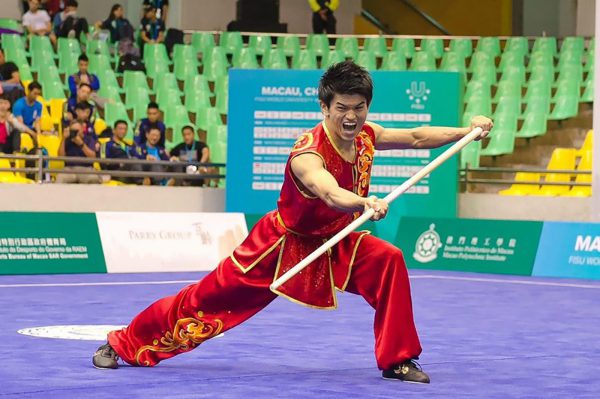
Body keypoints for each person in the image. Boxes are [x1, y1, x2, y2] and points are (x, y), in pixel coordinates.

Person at [92, 61, 493, 383]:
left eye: (359, 107)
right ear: (325, 108)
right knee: (203, 302)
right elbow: (329, 191)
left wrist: (467, 131)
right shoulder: (307, 153)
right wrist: (362, 202)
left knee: (387, 259)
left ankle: (398, 360)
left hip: (336, 240)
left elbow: (418, 138)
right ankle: (122, 343)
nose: (351, 117)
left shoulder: (368, 135)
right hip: (279, 246)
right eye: (342, 109)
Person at [56, 119, 102, 184]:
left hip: (86, 169)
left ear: (82, 129)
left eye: (77, 131)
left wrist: (81, 144)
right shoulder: (67, 140)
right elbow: (60, 156)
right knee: (60, 178)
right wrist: (63, 139)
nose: (75, 133)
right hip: (69, 169)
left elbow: (93, 157)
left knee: (93, 179)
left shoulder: (89, 139)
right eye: (73, 131)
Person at [100, 119, 135, 184]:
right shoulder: (107, 145)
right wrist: (119, 163)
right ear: (114, 130)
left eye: (125, 129)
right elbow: (103, 161)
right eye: (120, 129)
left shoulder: (129, 146)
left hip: (131, 171)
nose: (123, 131)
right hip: (116, 173)